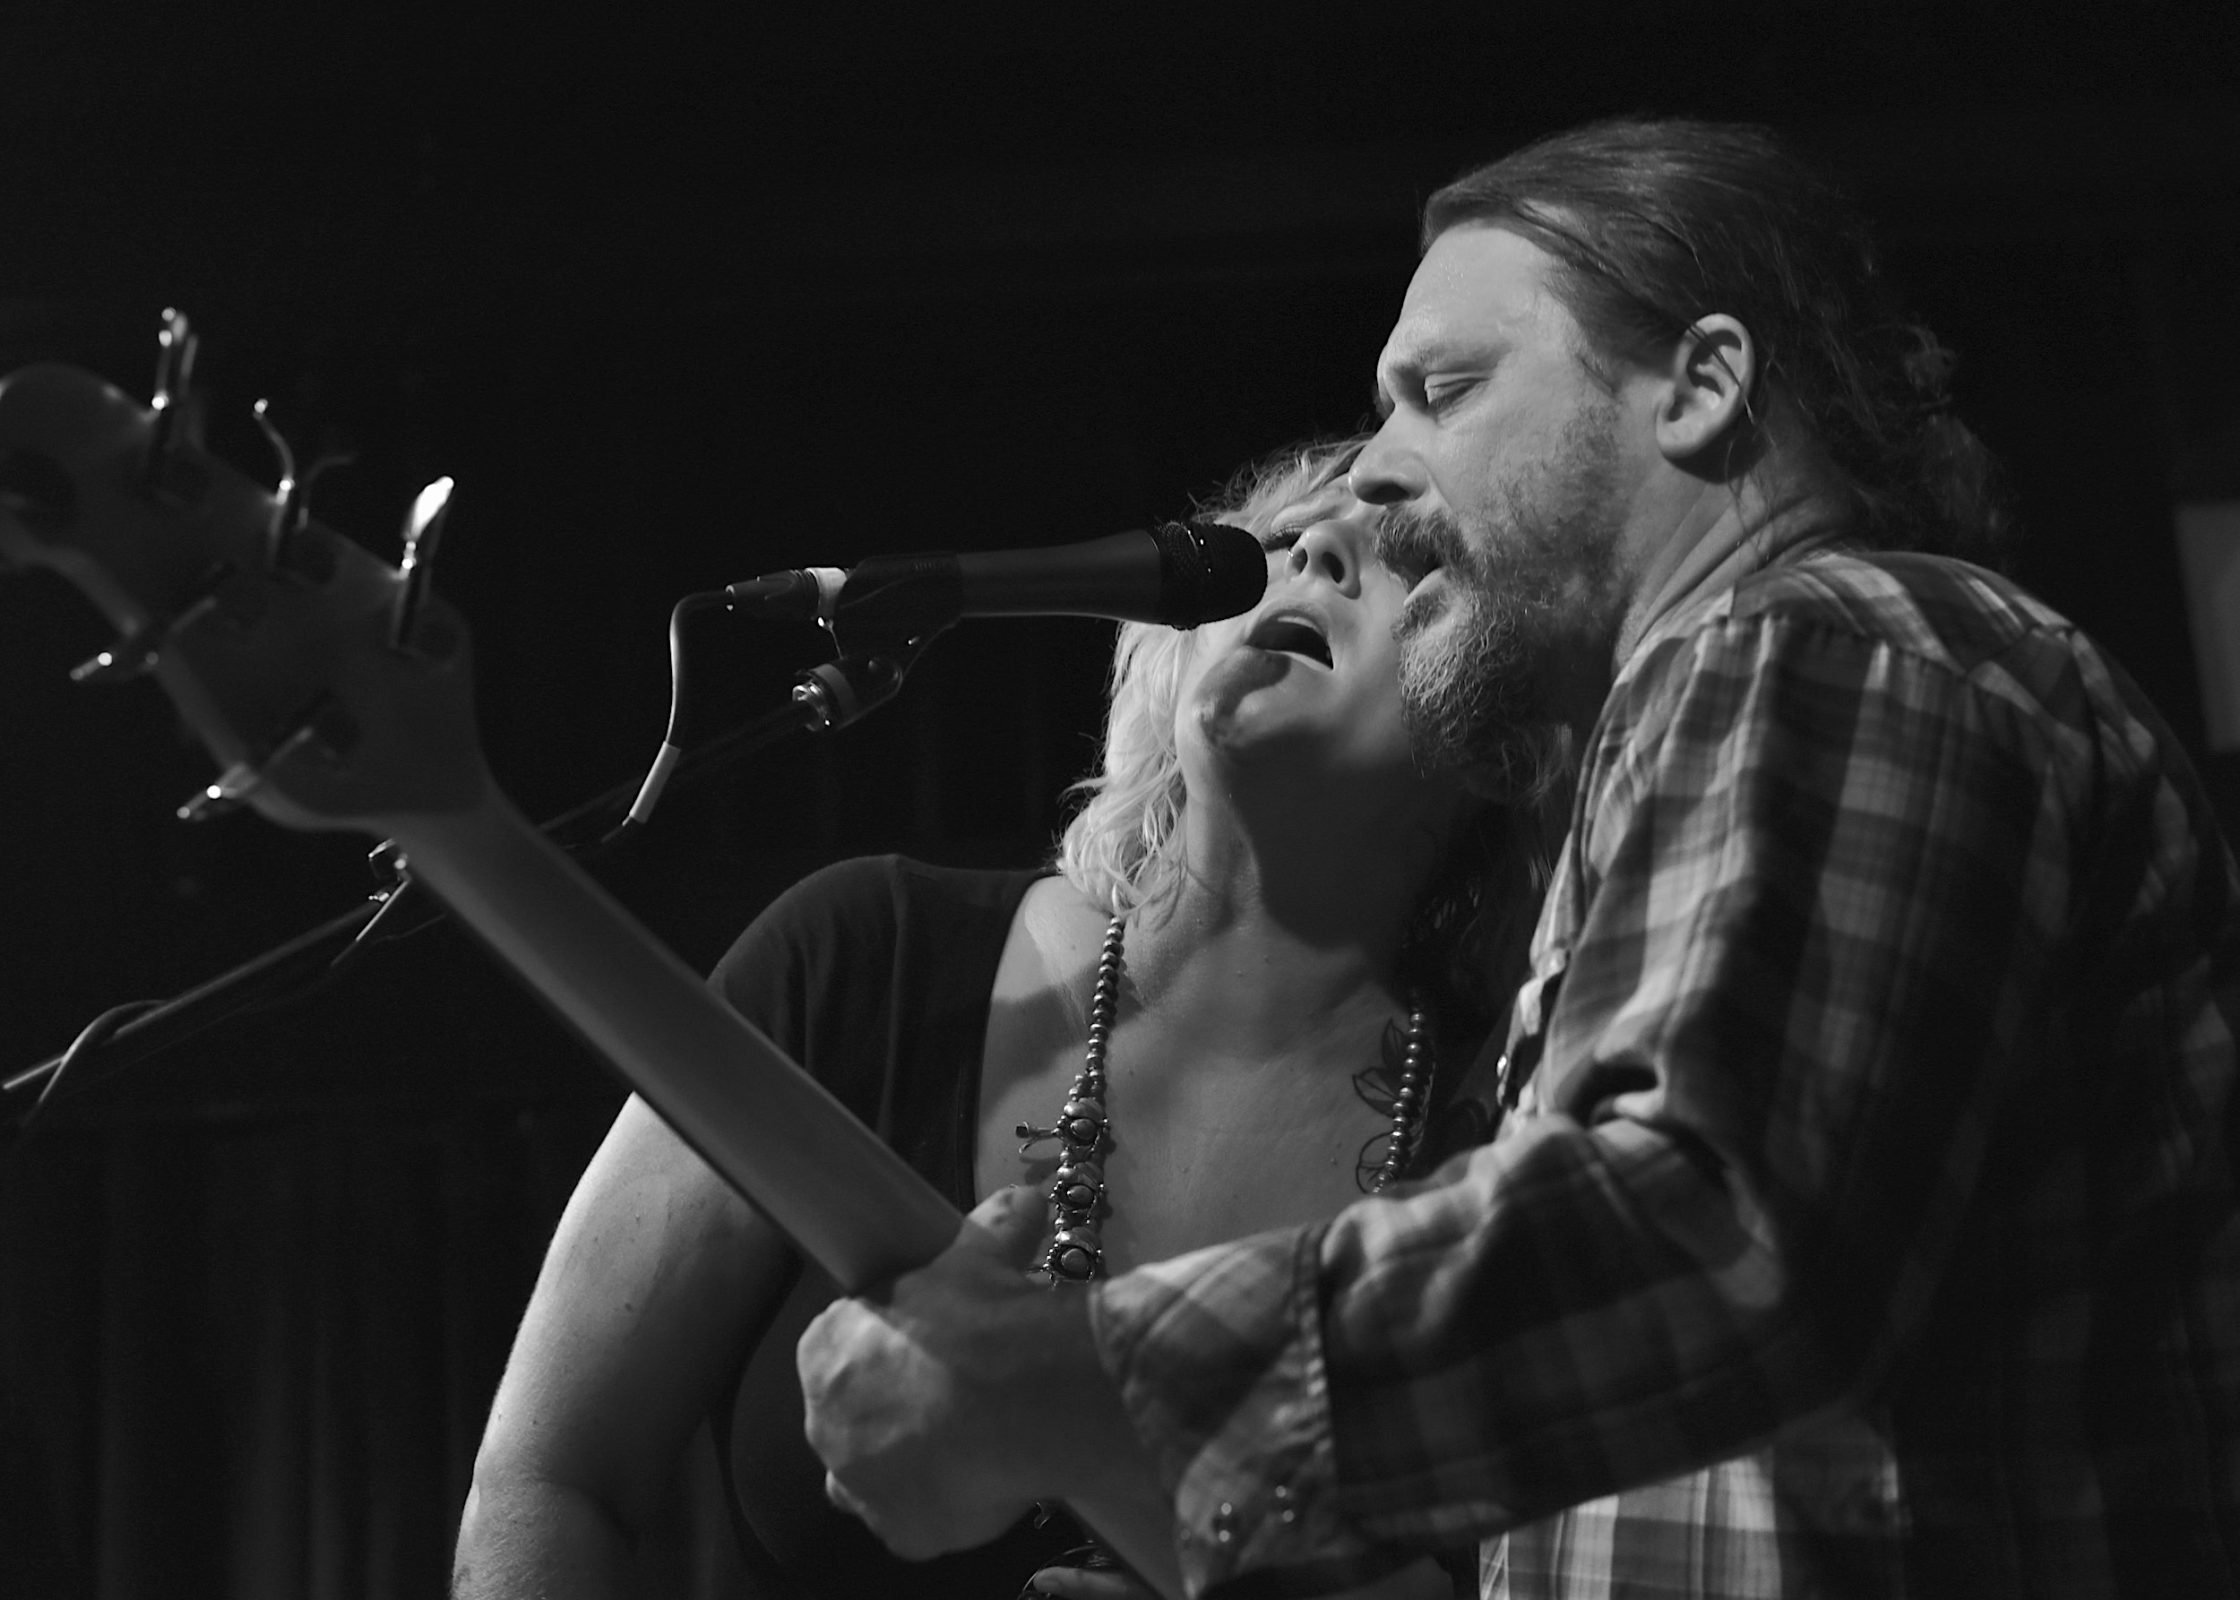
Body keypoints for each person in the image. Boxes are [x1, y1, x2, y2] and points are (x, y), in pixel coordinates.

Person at [796, 117, 2240, 1599]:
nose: (1372, 478)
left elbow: (1705, 1238)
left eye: (1444, 393)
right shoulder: (1736, 711)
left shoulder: (1826, 641)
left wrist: (1077, 1377)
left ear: (1700, 389)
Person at [449, 436, 1564, 1600]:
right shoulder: (859, 957)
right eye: (1277, 542)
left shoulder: (1526, 1114)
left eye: (1400, 561)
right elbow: (552, 1476)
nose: (1318, 550)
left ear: (1508, 737)